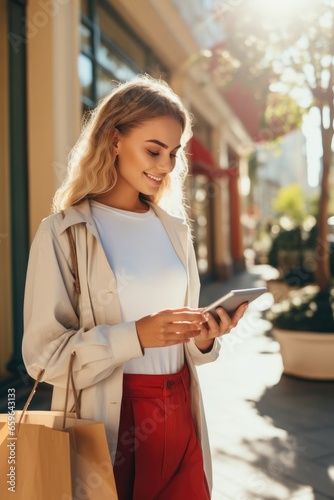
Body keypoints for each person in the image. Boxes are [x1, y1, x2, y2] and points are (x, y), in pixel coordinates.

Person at [22, 74, 247, 499]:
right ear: (114, 139)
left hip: (181, 410)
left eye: (174, 153)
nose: (165, 166)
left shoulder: (175, 231)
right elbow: (42, 357)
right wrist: (135, 336)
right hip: (112, 420)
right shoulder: (63, 232)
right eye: (154, 150)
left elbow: (182, 338)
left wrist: (203, 339)